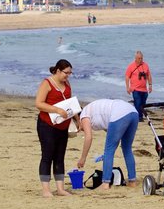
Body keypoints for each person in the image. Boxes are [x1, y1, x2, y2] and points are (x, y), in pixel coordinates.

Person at [75, 99, 139, 190]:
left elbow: (88, 138)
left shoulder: (83, 116)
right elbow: (111, 130)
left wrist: (83, 158)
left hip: (119, 113)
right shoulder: (91, 110)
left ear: (77, 119)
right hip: (133, 112)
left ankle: (105, 183)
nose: (79, 129)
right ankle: (132, 181)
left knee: (109, 150)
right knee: (127, 148)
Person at [34, 59, 75, 197]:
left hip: (63, 126)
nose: (68, 76)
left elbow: (70, 103)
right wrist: (56, 110)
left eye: (70, 73)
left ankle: (60, 188)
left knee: (60, 156)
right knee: (47, 155)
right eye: (66, 73)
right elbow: (39, 103)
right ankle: (46, 189)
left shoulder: (67, 83)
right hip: (47, 124)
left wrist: (77, 119)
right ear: (58, 71)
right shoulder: (47, 83)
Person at [124, 51, 152, 119]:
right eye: (139, 58)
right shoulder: (131, 66)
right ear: (135, 58)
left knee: (143, 104)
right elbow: (127, 77)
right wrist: (127, 87)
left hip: (144, 89)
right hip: (135, 89)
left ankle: (138, 114)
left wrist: (150, 85)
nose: (140, 60)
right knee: (138, 102)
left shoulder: (145, 65)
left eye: (141, 58)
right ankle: (139, 117)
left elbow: (149, 75)